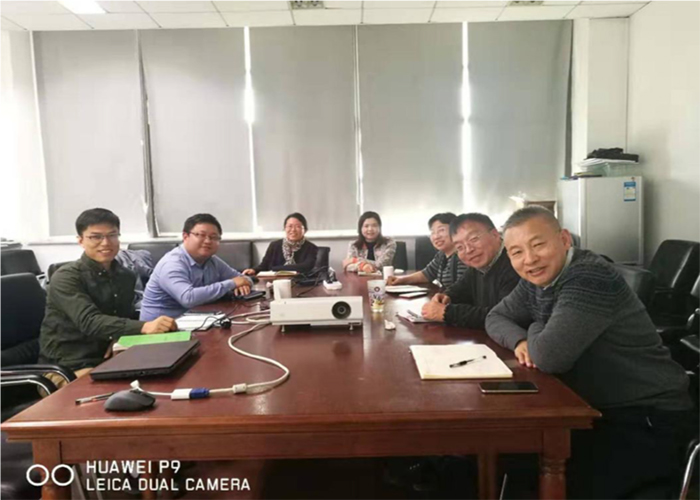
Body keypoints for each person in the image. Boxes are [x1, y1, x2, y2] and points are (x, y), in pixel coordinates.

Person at [486, 206, 694, 499]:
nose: (529, 259)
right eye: (516, 252)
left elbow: (549, 358)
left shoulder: (588, 277)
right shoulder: (536, 279)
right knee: (509, 459)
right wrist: (521, 340)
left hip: (646, 416)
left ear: (564, 239)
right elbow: (495, 317)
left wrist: (534, 326)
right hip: (591, 406)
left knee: (546, 477)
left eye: (538, 244)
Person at [39, 208, 176, 385]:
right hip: (68, 367)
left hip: (110, 357)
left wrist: (120, 336)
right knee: (123, 391)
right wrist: (145, 326)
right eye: (95, 237)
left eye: (112, 235)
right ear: (80, 240)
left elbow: (122, 317)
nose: (106, 243)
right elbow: (90, 321)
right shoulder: (66, 277)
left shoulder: (125, 276)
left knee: (170, 371)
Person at [140, 214, 253, 320]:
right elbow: (188, 298)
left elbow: (243, 279)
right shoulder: (172, 263)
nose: (208, 241)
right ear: (185, 236)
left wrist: (243, 284)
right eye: (201, 235)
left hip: (195, 320)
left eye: (213, 237)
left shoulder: (212, 261)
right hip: (162, 328)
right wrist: (232, 284)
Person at [420, 213, 519, 328]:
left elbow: (504, 316)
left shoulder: (515, 264)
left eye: (473, 239)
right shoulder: (477, 266)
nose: (468, 250)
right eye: (459, 247)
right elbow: (460, 288)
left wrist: (448, 313)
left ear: (495, 234)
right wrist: (446, 296)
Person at [387, 212, 468, 289]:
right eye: (432, 232)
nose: (436, 236)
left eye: (441, 230)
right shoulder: (441, 255)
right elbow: (426, 274)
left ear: (455, 231)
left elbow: (463, 288)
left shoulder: (463, 255)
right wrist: (401, 280)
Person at [243, 213, 318, 276]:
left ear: (305, 230)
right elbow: (264, 265)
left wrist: (274, 268)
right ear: (285, 228)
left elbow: (306, 267)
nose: (293, 230)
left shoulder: (311, 248)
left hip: (300, 284)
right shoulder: (274, 245)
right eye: (290, 226)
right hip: (275, 282)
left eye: (298, 227)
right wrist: (254, 270)